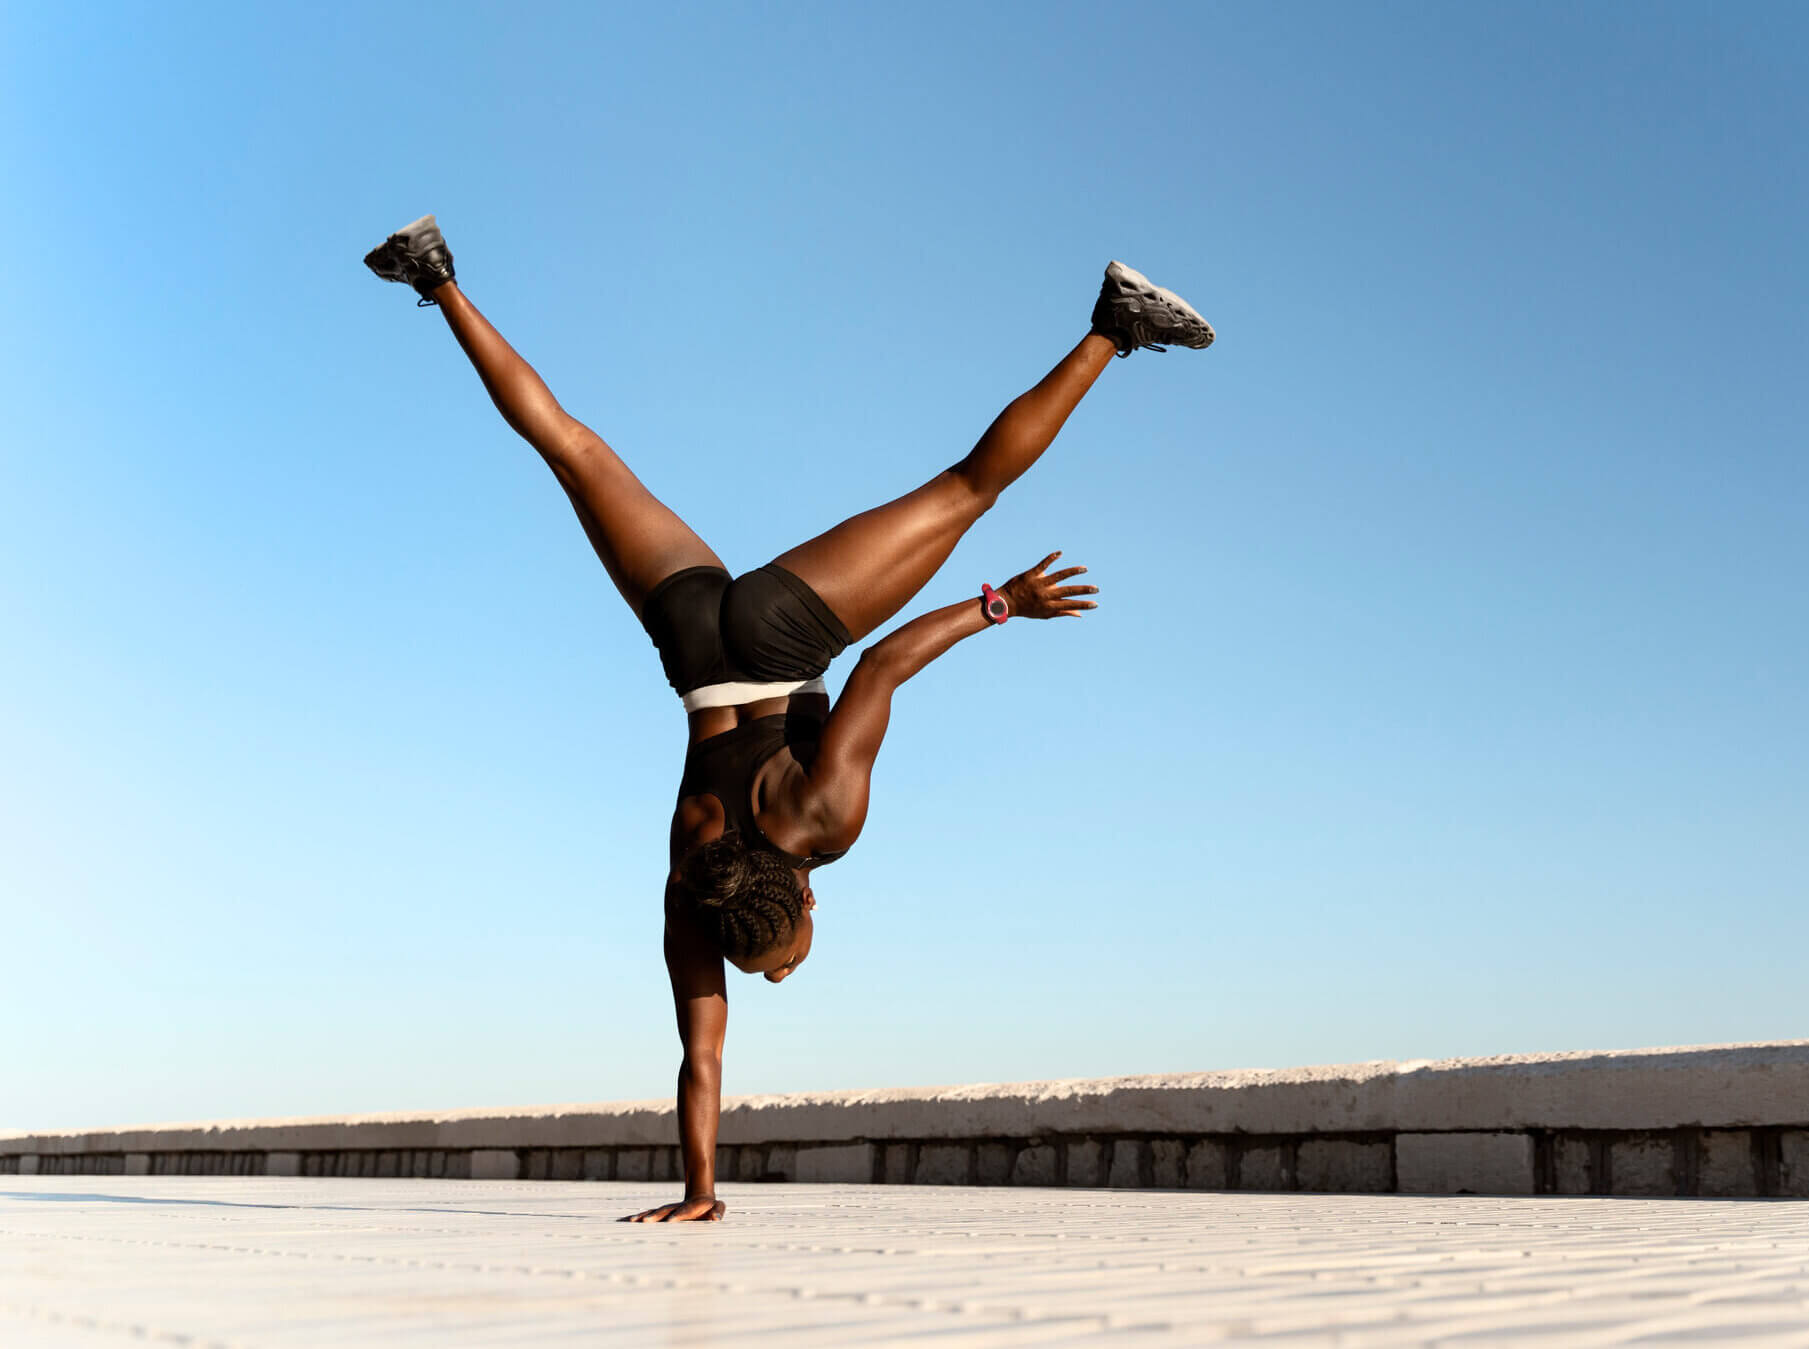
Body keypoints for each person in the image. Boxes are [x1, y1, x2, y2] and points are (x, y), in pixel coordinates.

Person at [364, 217, 1213, 1220]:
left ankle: (1114, 326)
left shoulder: (822, 823)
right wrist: (699, 1191)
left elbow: (885, 665)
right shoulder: (694, 889)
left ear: (804, 905)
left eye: (783, 958)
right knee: (570, 445)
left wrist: (1002, 605)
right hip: (690, 645)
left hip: (778, 638)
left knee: (968, 489)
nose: (775, 977)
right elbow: (700, 1060)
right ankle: (438, 278)